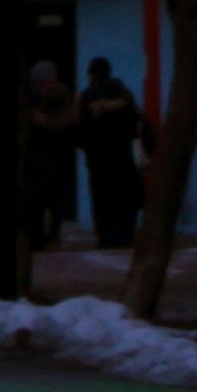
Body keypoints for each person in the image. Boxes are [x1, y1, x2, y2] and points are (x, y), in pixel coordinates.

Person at [74, 59, 151, 256]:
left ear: (92, 74)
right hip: (123, 156)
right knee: (124, 197)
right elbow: (137, 121)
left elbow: (80, 128)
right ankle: (125, 237)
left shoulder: (86, 96)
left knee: (101, 199)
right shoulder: (125, 96)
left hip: (98, 157)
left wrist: (88, 146)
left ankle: (106, 238)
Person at [18, 58, 79, 271]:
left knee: (37, 203)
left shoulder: (31, 111)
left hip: (37, 163)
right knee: (55, 204)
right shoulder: (69, 111)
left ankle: (38, 238)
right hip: (59, 162)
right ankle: (51, 238)